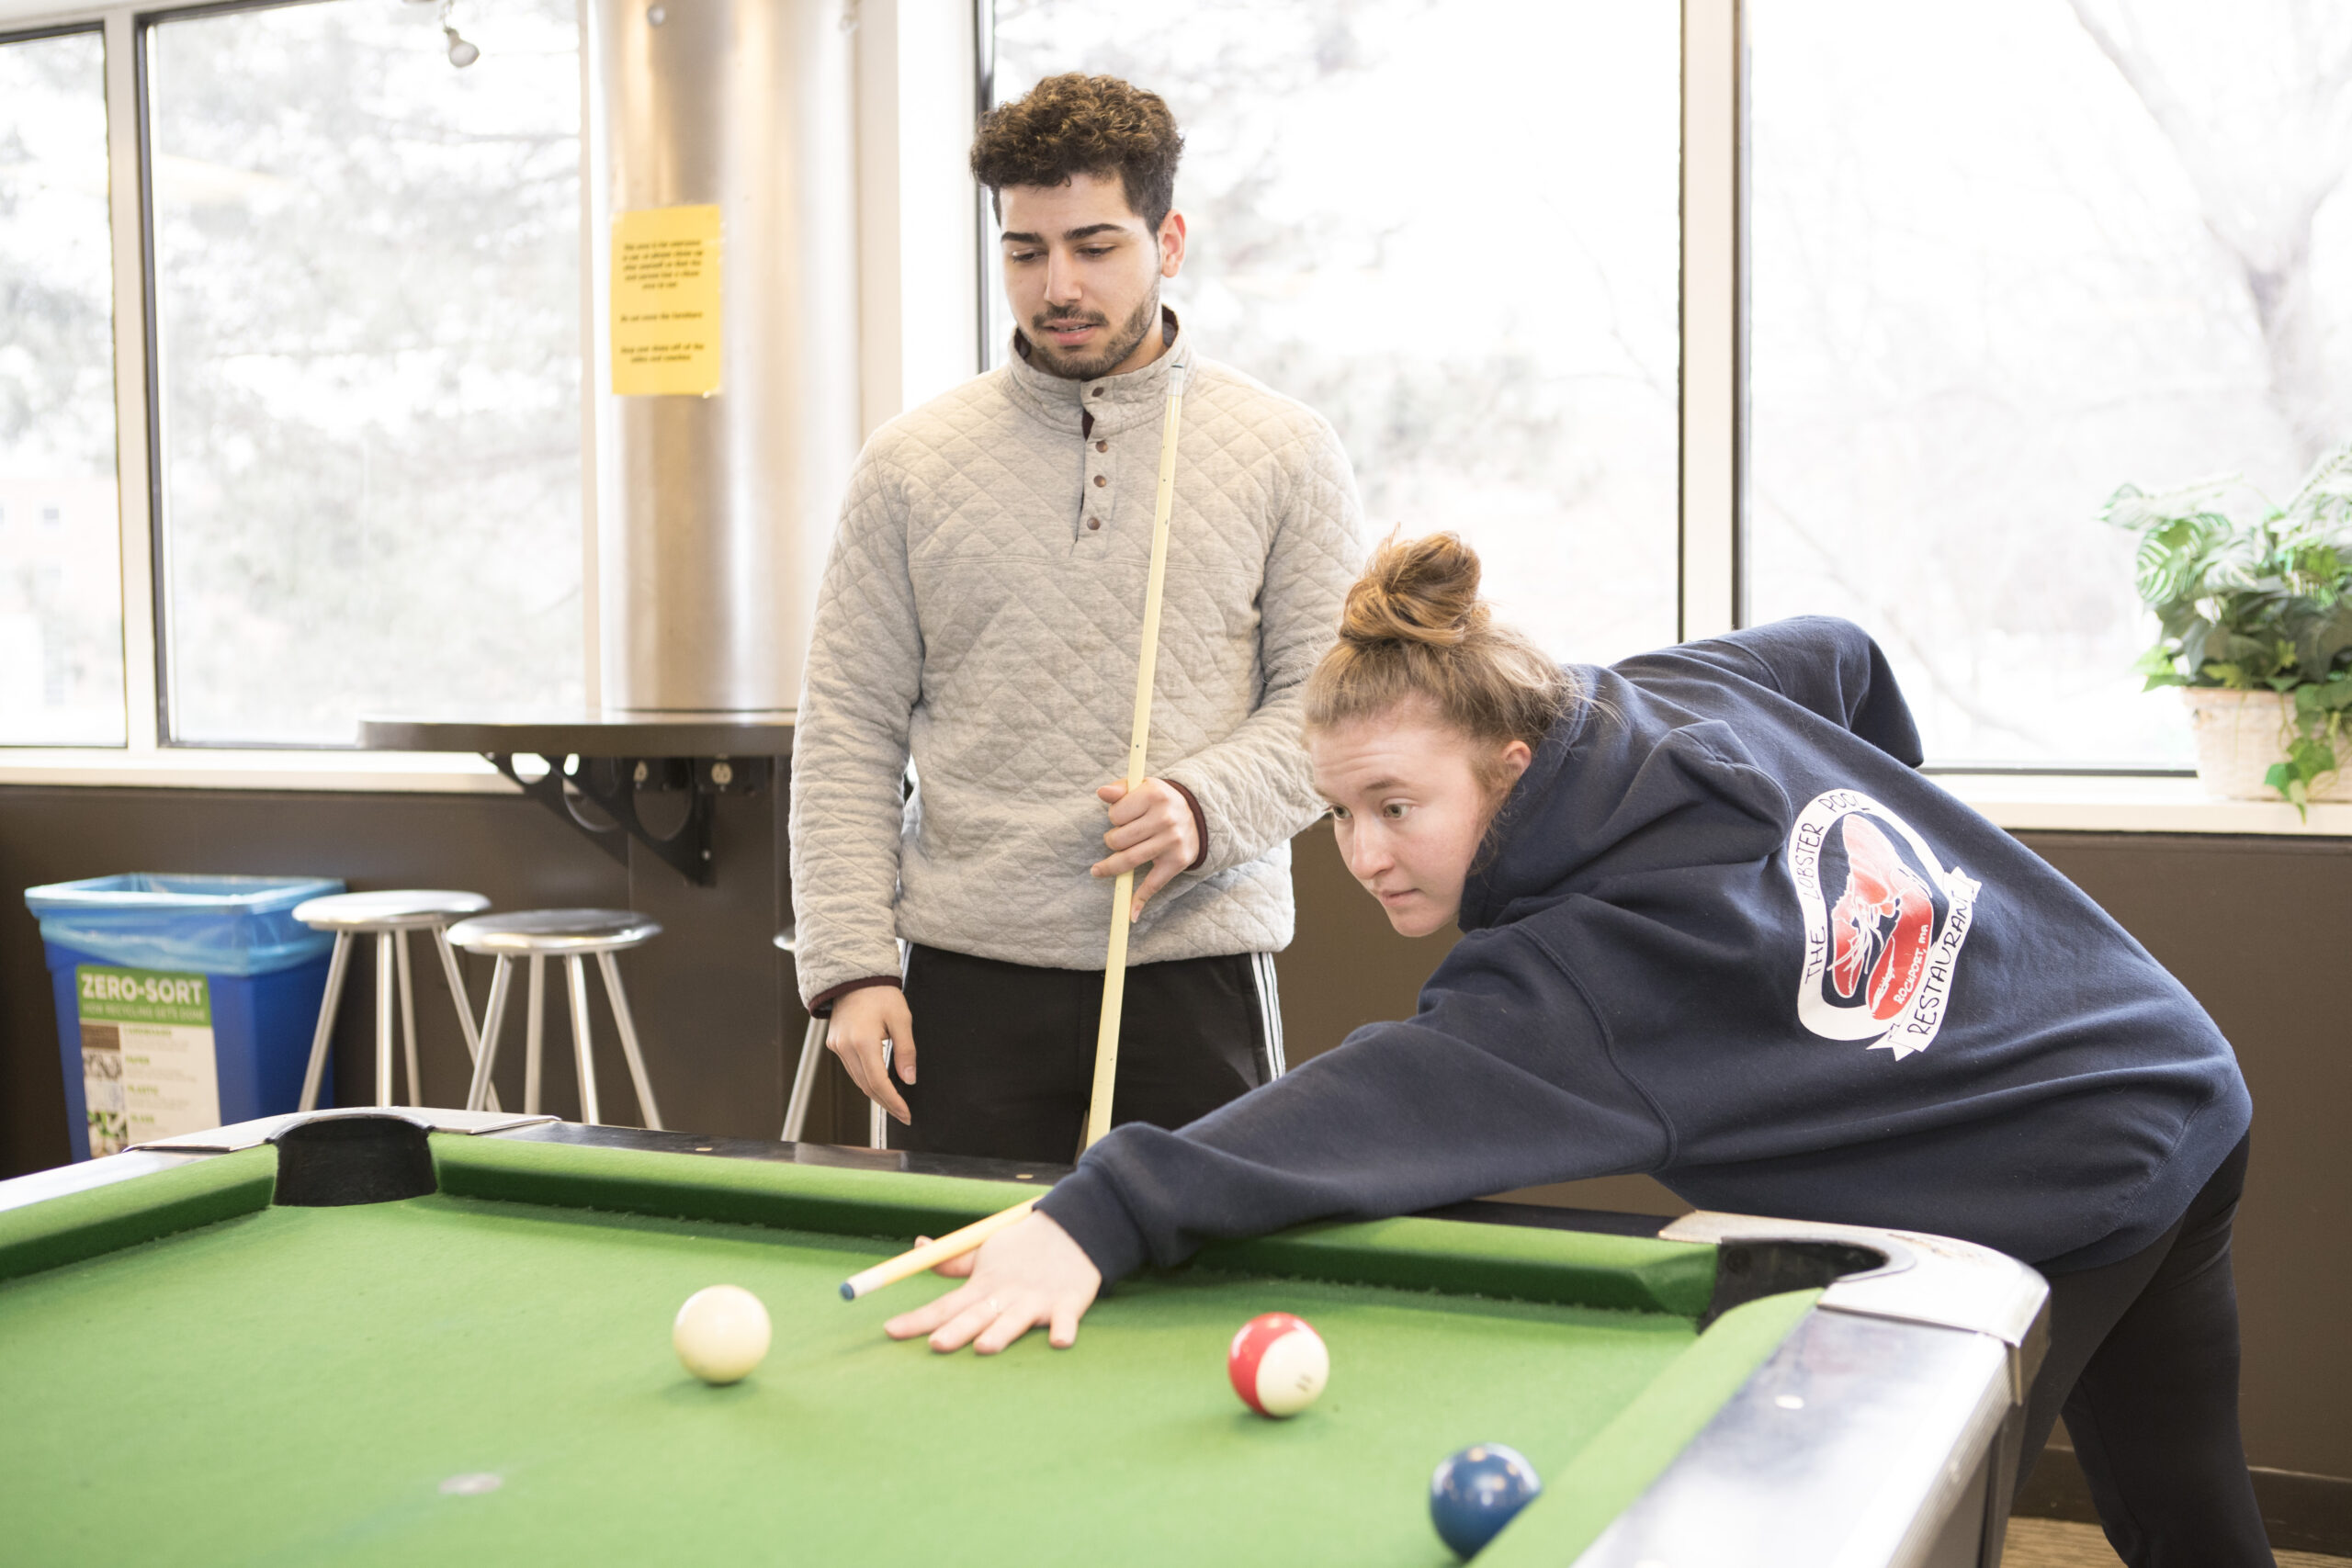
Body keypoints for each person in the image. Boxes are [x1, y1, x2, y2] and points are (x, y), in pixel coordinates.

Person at [887, 534, 2270, 1567]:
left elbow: (1371, 1102)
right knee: (2196, 1530)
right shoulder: (1657, 693)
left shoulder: (1586, 972)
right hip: (2173, 1061)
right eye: (1338, 813)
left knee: (1889, 1527)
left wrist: (1098, 1212)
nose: (1364, 851)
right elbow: (1840, 652)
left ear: (1503, 752)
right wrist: (1899, 854)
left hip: (2083, 1171)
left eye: (1396, 803)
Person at [789, 73, 1365, 1163]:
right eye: (1024, 250)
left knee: (1191, 1312)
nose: (1057, 284)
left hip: (1192, 973)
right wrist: (855, 965)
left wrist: (1203, 805)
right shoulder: (910, 464)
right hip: (964, 985)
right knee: (962, 1308)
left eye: (1095, 246)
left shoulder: (1287, 451)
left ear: (1170, 240)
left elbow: (1332, 714)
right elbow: (847, 733)